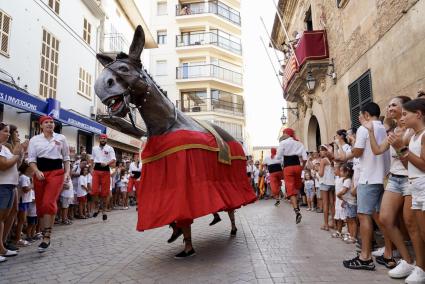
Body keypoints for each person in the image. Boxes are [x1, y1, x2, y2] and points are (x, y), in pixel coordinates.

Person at [363, 96, 423, 278]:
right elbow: (377, 150)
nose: (389, 107)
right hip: (396, 179)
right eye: (388, 104)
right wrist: (370, 132)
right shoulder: (394, 130)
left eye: (394, 105)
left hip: (411, 179)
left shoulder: (413, 131)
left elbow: (408, 154)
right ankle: (408, 261)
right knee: (386, 219)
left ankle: (420, 266)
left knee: (411, 224)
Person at [343, 102, 390, 270]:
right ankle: (388, 252)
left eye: (361, 114)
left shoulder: (364, 129)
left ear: (367, 115)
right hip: (379, 177)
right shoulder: (383, 128)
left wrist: (350, 147)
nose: (359, 117)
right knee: (380, 217)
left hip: (368, 178)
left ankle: (365, 257)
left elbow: (358, 152)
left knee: (364, 216)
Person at [389, 98, 425, 283]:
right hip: (415, 185)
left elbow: (424, 165)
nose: (402, 118)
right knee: (420, 229)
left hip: (423, 185)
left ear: (418, 114)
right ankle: (420, 267)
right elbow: (407, 162)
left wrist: (401, 147)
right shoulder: (414, 136)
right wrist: (400, 149)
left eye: (405, 114)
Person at [28, 115, 70, 253]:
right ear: (41, 125)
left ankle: (47, 236)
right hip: (40, 173)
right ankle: (43, 233)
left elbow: (66, 158)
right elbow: (31, 160)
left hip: (57, 172)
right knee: (40, 206)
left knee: (48, 202)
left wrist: (67, 173)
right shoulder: (34, 140)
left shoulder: (61, 138)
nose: (50, 124)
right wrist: (36, 171)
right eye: (46, 122)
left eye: (51, 122)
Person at [0, 122, 22, 261]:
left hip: (9, 186)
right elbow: (4, 165)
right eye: (5, 131)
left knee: (2, 219)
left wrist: (18, 155)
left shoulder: (4, 148)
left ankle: (1, 247)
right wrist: (17, 153)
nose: (8, 134)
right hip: (2, 186)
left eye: (9, 132)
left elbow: (15, 164)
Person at [276, 128, 307, 224]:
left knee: (291, 190)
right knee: (297, 188)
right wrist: (302, 167)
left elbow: (278, 157)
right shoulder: (299, 143)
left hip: (288, 167)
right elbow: (305, 158)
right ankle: (297, 204)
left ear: (286, 134)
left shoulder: (283, 143)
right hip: (298, 166)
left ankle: (296, 210)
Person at [91, 134, 116, 221]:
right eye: (101, 138)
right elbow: (92, 159)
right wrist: (91, 169)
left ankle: (104, 211)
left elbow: (113, 159)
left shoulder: (110, 148)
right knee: (94, 191)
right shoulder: (94, 148)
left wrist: (107, 163)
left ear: (106, 140)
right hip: (96, 170)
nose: (103, 139)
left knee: (105, 193)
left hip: (106, 170)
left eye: (104, 138)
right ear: (99, 139)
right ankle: (97, 207)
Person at [15, 163, 33, 247]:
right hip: (23, 201)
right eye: (30, 168)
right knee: (21, 220)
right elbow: (25, 189)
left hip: (25, 201)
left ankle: (18, 237)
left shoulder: (26, 177)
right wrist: (33, 185)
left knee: (22, 221)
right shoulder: (23, 177)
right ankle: (17, 239)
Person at [318, 144, 335, 231]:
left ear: (325, 151)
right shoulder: (331, 159)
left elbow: (321, 174)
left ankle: (326, 224)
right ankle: (334, 223)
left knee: (325, 203)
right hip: (332, 183)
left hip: (324, 183)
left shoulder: (323, 160)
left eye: (321, 150)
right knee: (332, 203)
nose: (320, 152)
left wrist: (317, 170)